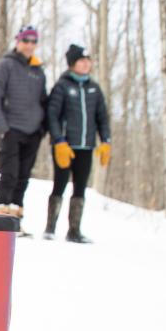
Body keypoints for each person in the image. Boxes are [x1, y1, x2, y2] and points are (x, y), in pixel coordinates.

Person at [43, 44, 112, 243]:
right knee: (60, 184)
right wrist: (58, 140)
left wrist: (105, 140)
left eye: (87, 61)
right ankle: (50, 227)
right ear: (73, 64)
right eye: (81, 61)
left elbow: (102, 118)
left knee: (80, 187)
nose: (85, 64)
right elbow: (53, 115)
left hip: (86, 146)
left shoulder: (94, 88)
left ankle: (74, 230)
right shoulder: (63, 86)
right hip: (65, 146)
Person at [0, 24, 48, 230]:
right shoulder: (4, 66)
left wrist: (42, 128)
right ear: (18, 41)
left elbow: (43, 100)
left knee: (23, 177)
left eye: (33, 41)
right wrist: (2, 128)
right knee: (9, 174)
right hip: (10, 129)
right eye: (26, 40)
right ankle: (0, 221)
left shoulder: (38, 71)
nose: (29, 45)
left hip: (33, 132)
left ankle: (16, 221)